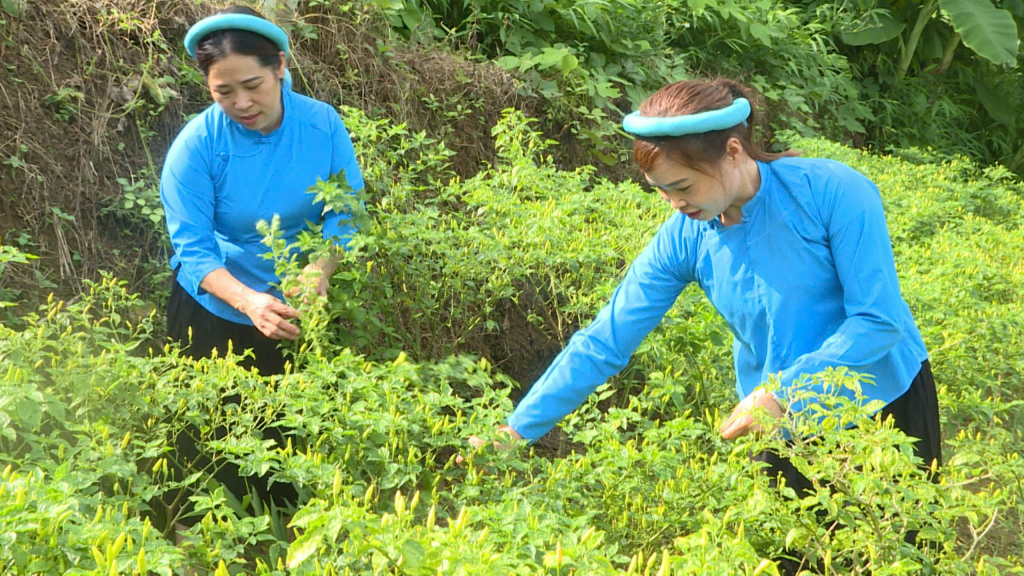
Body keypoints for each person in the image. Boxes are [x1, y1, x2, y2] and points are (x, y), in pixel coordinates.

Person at [472, 77, 941, 504]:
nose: (675, 204)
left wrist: (788, 392)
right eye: (660, 190)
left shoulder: (833, 191)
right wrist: (515, 430)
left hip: (883, 407)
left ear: (733, 152)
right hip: (774, 423)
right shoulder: (685, 236)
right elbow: (604, 341)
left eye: (682, 186)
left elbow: (878, 321)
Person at [158, 5, 363, 530]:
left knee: (281, 442)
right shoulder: (198, 145)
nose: (241, 103)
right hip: (212, 311)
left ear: (280, 66)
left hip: (295, 307)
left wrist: (320, 270)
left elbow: (346, 212)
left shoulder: (321, 126)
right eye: (223, 92)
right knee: (204, 441)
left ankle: (274, 544)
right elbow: (193, 249)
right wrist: (248, 300)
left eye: (252, 84)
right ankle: (195, 542)